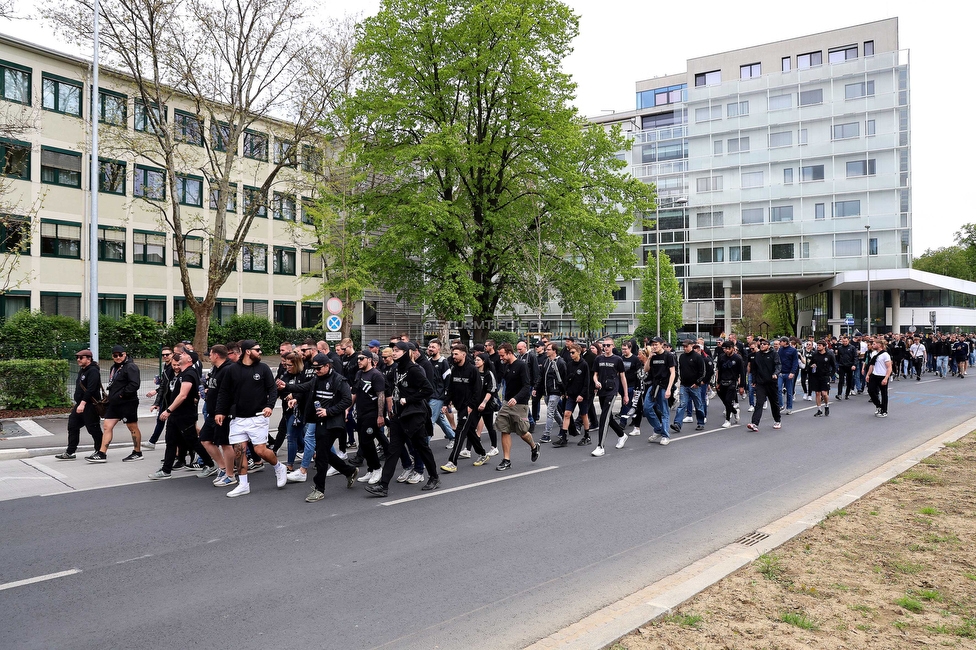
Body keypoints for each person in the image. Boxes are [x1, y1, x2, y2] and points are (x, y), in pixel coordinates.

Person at [214, 340, 287, 497]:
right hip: (238, 419)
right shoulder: (232, 370)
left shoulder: (263, 368)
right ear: (248, 351)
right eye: (257, 350)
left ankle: (278, 467)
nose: (260, 352)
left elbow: (272, 389)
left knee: (260, 451)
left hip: (258, 417)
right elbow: (224, 392)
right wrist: (220, 411)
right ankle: (243, 484)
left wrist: (270, 406)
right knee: (239, 452)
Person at [366, 342, 440, 496]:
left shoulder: (413, 370)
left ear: (406, 352)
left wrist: (409, 399)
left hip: (414, 415)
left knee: (421, 448)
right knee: (393, 451)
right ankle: (383, 486)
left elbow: (428, 390)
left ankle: (434, 477)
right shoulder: (397, 369)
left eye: (397, 351)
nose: (394, 353)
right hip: (399, 416)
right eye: (393, 350)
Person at [289, 353, 359, 502]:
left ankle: (319, 489)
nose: (316, 371)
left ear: (328, 366)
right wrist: (286, 387)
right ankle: (349, 471)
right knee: (323, 452)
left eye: (319, 368)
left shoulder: (339, 380)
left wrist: (329, 411)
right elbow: (304, 387)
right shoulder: (317, 379)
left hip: (334, 423)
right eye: (314, 368)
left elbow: (347, 400)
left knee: (321, 454)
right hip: (320, 421)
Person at [148, 352, 207, 479]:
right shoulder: (180, 373)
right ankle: (166, 470)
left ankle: (209, 463)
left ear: (189, 359)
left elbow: (183, 395)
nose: (181, 355)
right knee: (171, 441)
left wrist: (168, 410)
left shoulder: (189, 373)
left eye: (184, 354)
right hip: (175, 414)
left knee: (191, 440)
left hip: (184, 414)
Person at [87, 345, 143, 463]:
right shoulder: (114, 367)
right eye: (115, 355)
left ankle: (137, 452)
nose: (118, 357)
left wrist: (122, 394)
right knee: (107, 426)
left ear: (125, 354)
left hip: (128, 402)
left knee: (132, 427)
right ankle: (102, 453)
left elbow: (134, 384)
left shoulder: (131, 367)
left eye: (120, 355)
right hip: (114, 403)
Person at [492, 343, 540, 470]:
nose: (501, 358)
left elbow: (526, 386)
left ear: (509, 353)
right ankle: (506, 460)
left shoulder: (522, 365)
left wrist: (516, 398)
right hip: (507, 403)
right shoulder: (506, 366)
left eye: (502, 355)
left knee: (522, 432)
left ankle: (534, 446)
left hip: (520, 404)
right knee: (504, 429)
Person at [56, 349, 103, 460]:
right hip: (80, 404)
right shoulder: (83, 370)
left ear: (89, 359)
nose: (78, 359)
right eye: (77, 357)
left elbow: (91, 389)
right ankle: (70, 452)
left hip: (90, 405)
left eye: (81, 357)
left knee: (93, 428)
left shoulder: (93, 371)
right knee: (72, 426)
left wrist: (83, 403)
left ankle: (100, 450)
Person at [350, 349, 387, 485]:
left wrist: (380, 416)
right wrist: (348, 408)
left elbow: (381, 396)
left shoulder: (376, 375)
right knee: (363, 442)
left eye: (361, 359)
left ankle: (377, 468)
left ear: (369, 360)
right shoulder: (359, 373)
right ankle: (371, 469)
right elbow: (355, 393)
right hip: (360, 413)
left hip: (372, 414)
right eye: (358, 359)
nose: (358, 361)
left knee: (367, 442)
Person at [643, 337, 675, 445]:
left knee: (664, 411)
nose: (654, 347)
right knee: (646, 408)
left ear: (662, 344)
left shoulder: (668, 356)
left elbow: (673, 373)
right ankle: (658, 429)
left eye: (656, 344)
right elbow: (646, 370)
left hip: (664, 386)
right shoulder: (653, 356)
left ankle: (665, 435)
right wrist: (649, 358)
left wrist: (669, 389)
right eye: (652, 345)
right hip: (654, 385)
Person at [670, 339, 706, 434]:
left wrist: (697, 382)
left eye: (686, 346)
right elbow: (680, 369)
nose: (685, 348)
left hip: (694, 386)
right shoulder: (681, 357)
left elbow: (702, 372)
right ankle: (677, 424)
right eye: (684, 347)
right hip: (684, 385)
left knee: (698, 405)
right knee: (682, 404)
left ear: (691, 346)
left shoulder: (697, 357)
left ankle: (701, 422)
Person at [745, 339, 782, 431]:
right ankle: (754, 423)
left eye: (764, 344)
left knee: (774, 403)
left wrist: (775, 373)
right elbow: (754, 369)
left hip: (771, 383)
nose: (762, 345)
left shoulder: (774, 354)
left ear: (769, 346)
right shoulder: (757, 355)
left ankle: (777, 420)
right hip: (760, 383)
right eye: (761, 344)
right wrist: (754, 381)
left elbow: (778, 365)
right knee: (759, 403)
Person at [535, 342, 567, 446]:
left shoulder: (560, 362)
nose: (546, 351)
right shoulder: (546, 362)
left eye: (548, 349)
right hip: (547, 391)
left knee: (550, 412)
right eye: (546, 349)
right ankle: (563, 426)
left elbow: (564, 378)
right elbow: (541, 376)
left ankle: (547, 434)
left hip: (555, 392)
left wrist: (563, 391)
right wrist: (536, 388)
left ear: (554, 351)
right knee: (554, 411)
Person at [144, 347, 174, 450]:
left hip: (171, 400)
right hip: (165, 399)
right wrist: (157, 402)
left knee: (174, 424)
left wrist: (156, 392)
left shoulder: (172, 367)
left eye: (167, 354)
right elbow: (163, 385)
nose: (165, 356)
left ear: (172, 354)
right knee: (161, 420)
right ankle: (153, 441)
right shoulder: (166, 367)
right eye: (163, 355)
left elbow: (168, 385)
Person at [716, 341, 747, 428]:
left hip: (732, 381)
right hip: (722, 381)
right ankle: (735, 411)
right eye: (724, 349)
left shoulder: (738, 358)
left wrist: (742, 386)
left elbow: (742, 373)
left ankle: (727, 420)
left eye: (727, 348)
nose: (726, 350)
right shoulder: (721, 357)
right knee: (725, 401)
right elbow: (720, 370)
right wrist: (718, 382)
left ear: (732, 348)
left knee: (729, 400)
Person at [866, 338, 892, 417]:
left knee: (884, 394)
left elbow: (889, 367)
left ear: (879, 345)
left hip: (882, 376)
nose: (872, 345)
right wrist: (868, 374)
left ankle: (884, 410)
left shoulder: (885, 355)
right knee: (871, 391)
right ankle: (878, 405)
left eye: (874, 344)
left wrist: (886, 378)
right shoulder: (873, 353)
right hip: (874, 375)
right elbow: (872, 365)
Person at [810, 340, 836, 417]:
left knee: (824, 394)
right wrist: (812, 365)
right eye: (817, 345)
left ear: (824, 346)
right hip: (816, 376)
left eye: (820, 345)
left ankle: (827, 406)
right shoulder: (815, 354)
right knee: (817, 393)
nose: (818, 347)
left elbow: (834, 366)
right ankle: (819, 410)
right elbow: (811, 363)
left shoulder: (829, 355)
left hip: (825, 376)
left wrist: (831, 375)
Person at [777, 337, 799, 415]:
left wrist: (792, 372)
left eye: (781, 342)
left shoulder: (793, 350)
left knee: (789, 392)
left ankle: (789, 407)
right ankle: (781, 405)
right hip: (780, 373)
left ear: (785, 342)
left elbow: (795, 362)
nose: (780, 343)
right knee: (778, 389)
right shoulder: (780, 350)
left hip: (789, 373)